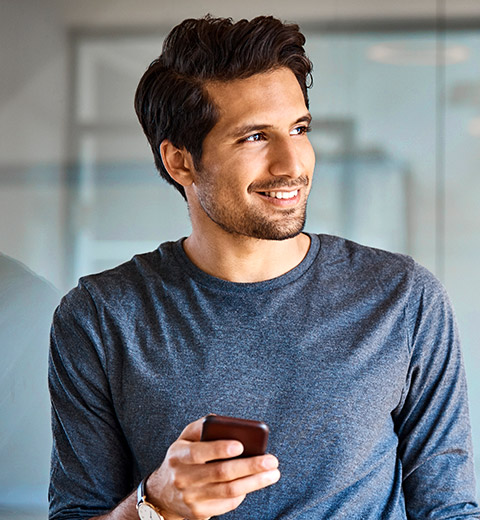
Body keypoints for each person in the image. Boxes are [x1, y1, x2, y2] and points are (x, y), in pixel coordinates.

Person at [48, 15, 480, 520]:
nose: (291, 163)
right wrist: (155, 504)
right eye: (254, 137)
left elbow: (450, 510)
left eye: (299, 128)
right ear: (181, 162)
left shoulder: (403, 297)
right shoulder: (100, 316)